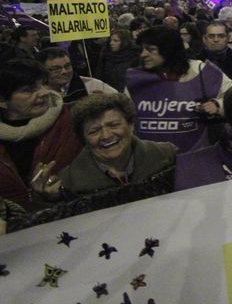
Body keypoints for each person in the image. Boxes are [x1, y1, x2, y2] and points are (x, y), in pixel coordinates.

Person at [31, 93, 176, 200]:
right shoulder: (67, 183)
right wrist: (46, 199)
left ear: (131, 125)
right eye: (94, 131)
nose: (106, 136)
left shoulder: (167, 155)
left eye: (114, 125)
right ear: (84, 139)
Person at [125, 26, 232, 152]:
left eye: (151, 50)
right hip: (148, 159)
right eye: (143, 49)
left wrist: (217, 105)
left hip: (194, 157)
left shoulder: (201, 71)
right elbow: (125, 115)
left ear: (168, 50)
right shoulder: (137, 77)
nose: (143, 54)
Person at [0, 60, 82, 210]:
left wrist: (58, 195)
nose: (44, 92)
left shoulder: (75, 118)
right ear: (3, 102)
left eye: (44, 84)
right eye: (29, 90)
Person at [39, 47, 118, 104]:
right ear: (43, 70)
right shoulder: (36, 94)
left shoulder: (92, 85)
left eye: (67, 66)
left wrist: (108, 103)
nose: (64, 71)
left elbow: (122, 101)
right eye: (56, 68)